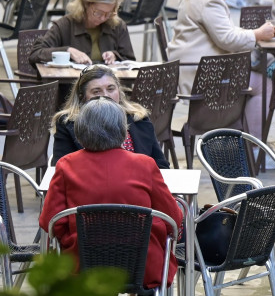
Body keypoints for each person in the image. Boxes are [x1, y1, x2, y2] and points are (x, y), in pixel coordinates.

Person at [39, 97, 182, 291]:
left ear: (80, 130)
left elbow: (50, 221)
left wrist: (72, 239)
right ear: (123, 130)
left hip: (82, 265)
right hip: (143, 264)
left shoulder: (65, 165)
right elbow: (172, 217)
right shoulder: (145, 164)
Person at [167, 0, 273, 140]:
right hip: (202, 75)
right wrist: (257, 34)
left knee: (257, 81)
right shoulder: (210, 1)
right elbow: (227, 39)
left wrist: (252, 34)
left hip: (196, 70)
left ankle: (238, 142)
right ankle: (254, 149)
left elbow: (225, 32)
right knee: (264, 85)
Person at [50, 64, 168, 168]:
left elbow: (161, 165)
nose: (106, 95)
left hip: (139, 188)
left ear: (119, 91)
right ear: (82, 97)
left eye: (111, 89)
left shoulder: (138, 118)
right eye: (96, 91)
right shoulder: (68, 123)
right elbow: (61, 168)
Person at [29, 0, 133, 66]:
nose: (102, 18)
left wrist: (115, 55)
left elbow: (130, 60)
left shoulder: (117, 25)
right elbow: (35, 54)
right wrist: (68, 51)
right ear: (86, 4)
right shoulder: (65, 25)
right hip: (73, 87)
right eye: (98, 13)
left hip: (108, 87)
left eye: (108, 14)